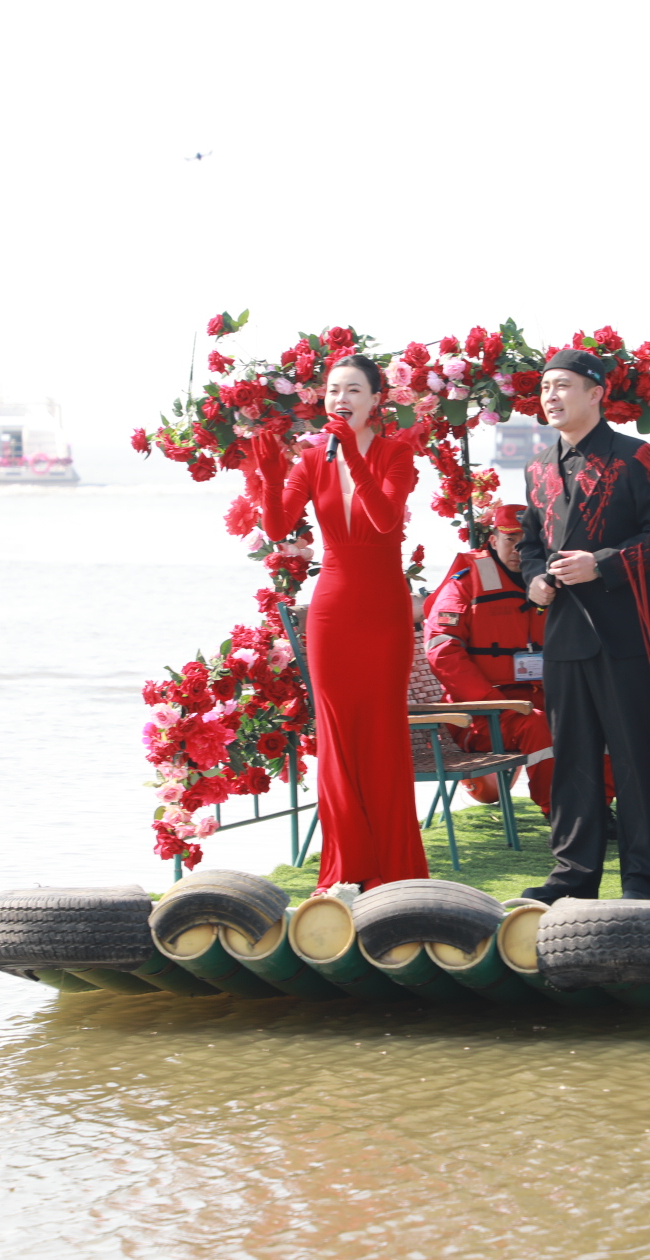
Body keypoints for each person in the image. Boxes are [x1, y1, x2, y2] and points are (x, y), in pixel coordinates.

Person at [251, 354, 428, 891]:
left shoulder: (397, 453)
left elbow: (386, 520)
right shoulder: (311, 460)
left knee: (382, 735)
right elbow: (278, 527)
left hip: (382, 609)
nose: (340, 399)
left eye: (353, 389)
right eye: (332, 390)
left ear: (376, 400)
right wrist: (270, 477)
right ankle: (345, 870)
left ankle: (394, 870)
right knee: (336, 738)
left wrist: (352, 453)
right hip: (332, 610)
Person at [516, 348, 650, 902]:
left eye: (562, 385)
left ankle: (643, 880)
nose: (551, 396)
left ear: (596, 393)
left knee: (635, 760)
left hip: (625, 632)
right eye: (545, 387)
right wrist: (535, 581)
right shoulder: (537, 467)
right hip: (563, 634)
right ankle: (573, 877)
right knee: (573, 760)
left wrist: (603, 564)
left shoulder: (635, 456)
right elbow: (530, 545)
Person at [421, 504, 555, 813]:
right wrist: (493, 702)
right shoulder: (464, 583)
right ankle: (558, 813)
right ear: (493, 540)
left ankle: (599, 807)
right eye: (510, 540)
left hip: (539, 698)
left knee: (595, 717)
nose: (519, 549)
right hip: (481, 715)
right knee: (538, 726)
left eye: (526, 541)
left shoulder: (547, 583)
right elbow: (442, 649)